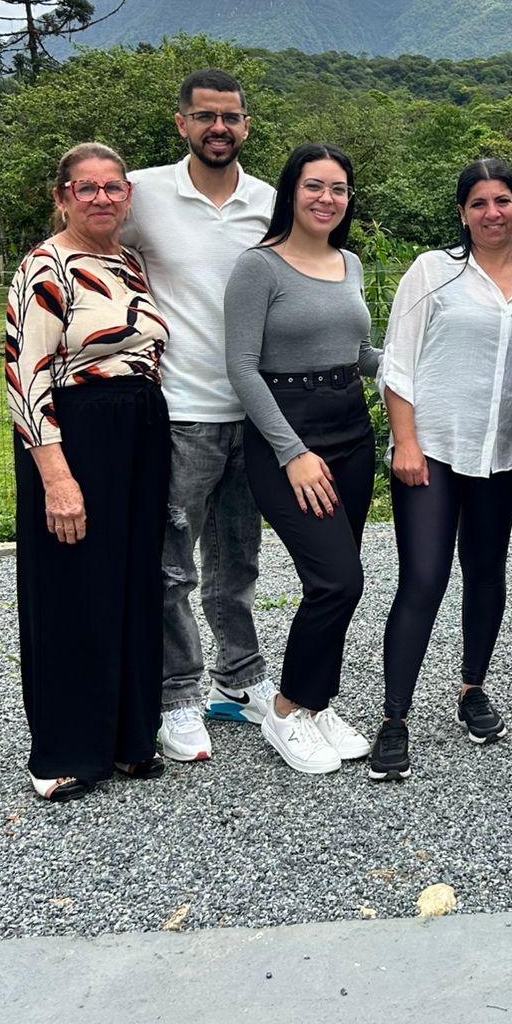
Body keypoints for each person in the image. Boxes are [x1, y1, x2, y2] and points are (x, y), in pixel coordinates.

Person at [6, 143, 171, 800]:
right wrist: (57, 476)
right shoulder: (45, 266)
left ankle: (128, 738)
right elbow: (25, 376)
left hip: (139, 431)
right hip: (76, 434)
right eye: (86, 187)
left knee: (132, 582)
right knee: (73, 586)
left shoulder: (127, 262)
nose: (101, 198)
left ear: (128, 196)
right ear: (62, 197)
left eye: (113, 187)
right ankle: (65, 749)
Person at [124, 67, 275, 764]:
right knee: (171, 567)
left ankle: (237, 678)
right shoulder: (143, 193)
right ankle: (176, 693)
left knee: (237, 563)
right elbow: (86, 241)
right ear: (181, 122)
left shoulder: (270, 202)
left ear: (246, 125)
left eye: (231, 117)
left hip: (255, 411)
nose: (220, 128)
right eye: (206, 116)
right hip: (182, 411)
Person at [371, 158, 512, 784]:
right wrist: (405, 441)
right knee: (423, 579)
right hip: (432, 450)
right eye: (479, 203)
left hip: (501, 452)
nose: (492, 213)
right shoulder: (433, 271)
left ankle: (472, 688)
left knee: (486, 574)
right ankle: (395, 717)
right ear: (462, 213)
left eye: (503, 200)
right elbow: (398, 361)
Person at [224, 144, 380, 775]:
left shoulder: (350, 263)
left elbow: (359, 353)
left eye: (339, 189)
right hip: (287, 436)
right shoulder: (258, 267)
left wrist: (414, 363)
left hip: (351, 431)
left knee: (337, 581)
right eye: (315, 186)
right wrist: (293, 453)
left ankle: (317, 703)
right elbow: (241, 367)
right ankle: (286, 711)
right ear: (291, 191)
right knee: (338, 580)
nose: (327, 198)